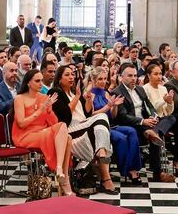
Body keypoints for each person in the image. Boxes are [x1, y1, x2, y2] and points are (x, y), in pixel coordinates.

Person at [49, 64, 117, 193]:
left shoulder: (75, 92)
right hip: (69, 131)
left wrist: (89, 101)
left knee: (100, 124)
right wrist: (77, 97)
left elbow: (87, 113)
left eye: (72, 74)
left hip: (84, 127)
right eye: (67, 75)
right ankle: (105, 173)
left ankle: (101, 155)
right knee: (101, 116)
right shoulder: (55, 92)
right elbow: (65, 114)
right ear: (59, 78)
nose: (71, 77)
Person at [110, 63, 176, 183]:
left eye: (135, 75)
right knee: (151, 133)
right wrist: (142, 121)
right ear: (121, 77)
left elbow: (150, 107)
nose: (133, 78)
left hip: (145, 122)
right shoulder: (117, 92)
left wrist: (154, 117)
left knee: (169, 119)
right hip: (129, 124)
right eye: (130, 76)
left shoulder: (139, 89)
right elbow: (123, 116)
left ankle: (153, 132)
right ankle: (158, 173)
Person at [12, 69, 74, 196]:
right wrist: (40, 110)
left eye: (41, 80)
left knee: (66, 135)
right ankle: (63, 177)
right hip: (25, 135)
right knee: (65, 135)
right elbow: (21, 123)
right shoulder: (19, 99)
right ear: (28, 83)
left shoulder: (45, 98)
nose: (41, 83)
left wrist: (49, 111)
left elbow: (54, 123)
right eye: (37, 81)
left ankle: (61, 171)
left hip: (42, 132)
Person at [89, 66, 142, 185]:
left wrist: (115, 106)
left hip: (111, 124)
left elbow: (113, 116)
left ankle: (131, 167)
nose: (103, 81)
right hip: (99, 127)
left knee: (132, 131)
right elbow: (91, 114)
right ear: (93, 80)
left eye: (104, 79)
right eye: (100, 79)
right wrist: (108, 107)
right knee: (121, 138)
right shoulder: (90, 95)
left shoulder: (107, 93)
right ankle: (127, 170)